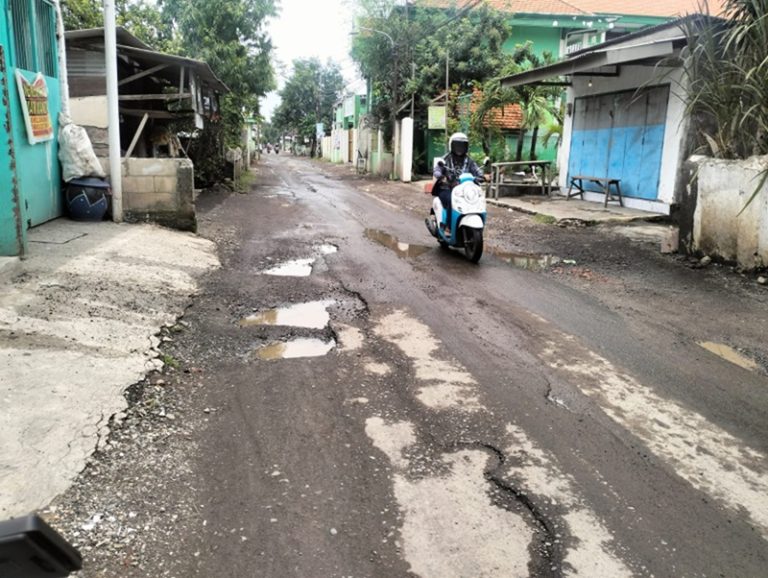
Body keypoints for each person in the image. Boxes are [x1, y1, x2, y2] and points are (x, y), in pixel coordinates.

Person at [432, 132, 484, 235]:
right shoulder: (446, 159)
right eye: (457, 145)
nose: (459, 148)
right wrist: (441, 176)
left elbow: (477, 170)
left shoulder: (469, 160)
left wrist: (482, 176)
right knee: (451, 201)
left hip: (464, 189)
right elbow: (437, 169)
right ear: (452, 145)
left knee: (476, 200)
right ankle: (448, 226)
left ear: (466, 147)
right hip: (446, 188)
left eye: (462, 145)